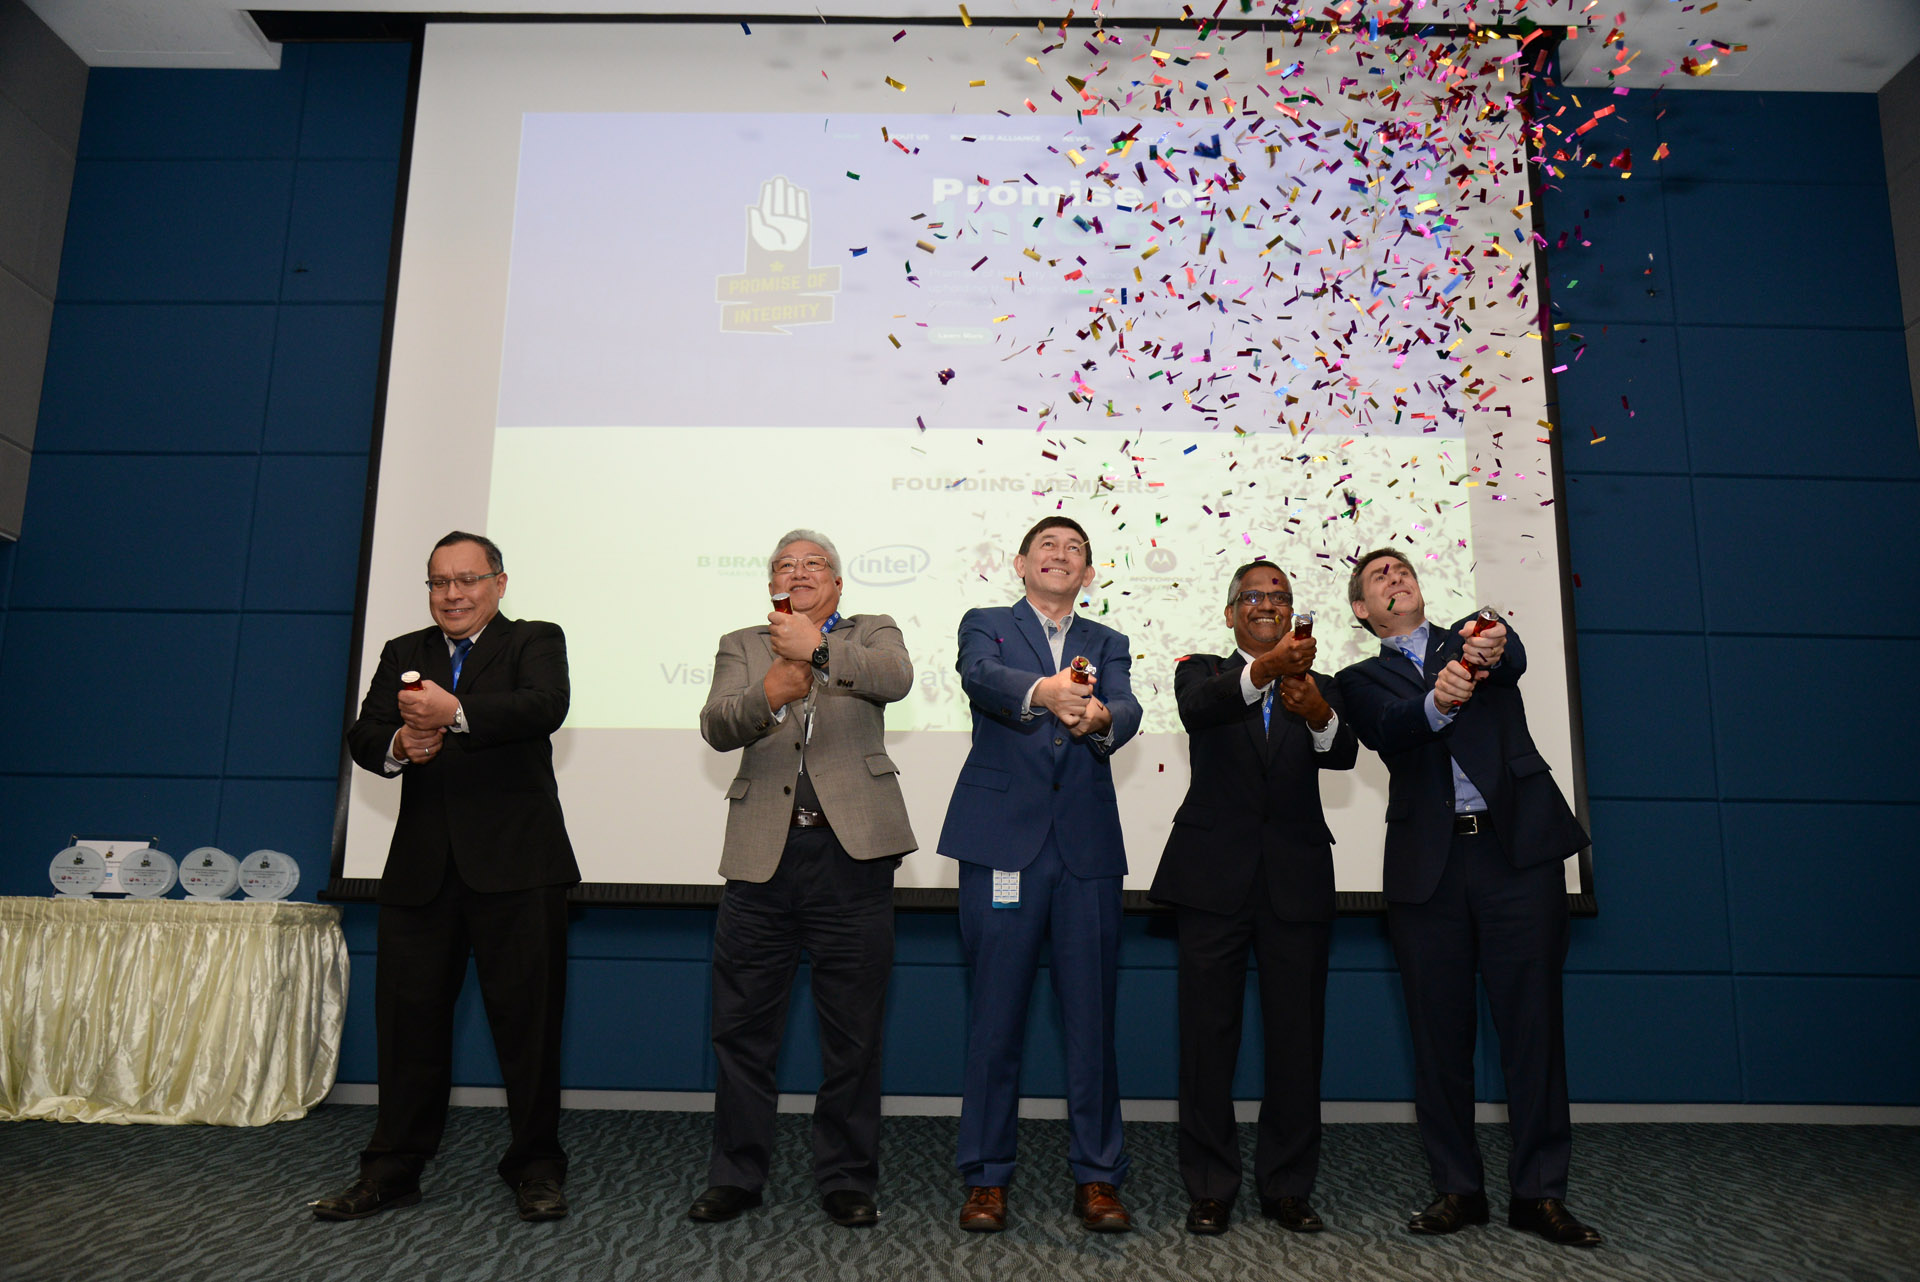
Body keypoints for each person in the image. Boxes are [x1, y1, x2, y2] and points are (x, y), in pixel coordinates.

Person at [1334, 547, 1601, 1248]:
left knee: (1533, 1030)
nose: (1396, 578)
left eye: (1402, 570)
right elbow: (1390, 728)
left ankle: (1540, 1194)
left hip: (1517, 857)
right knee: (1438, 1036)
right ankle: (1458, 1189)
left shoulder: (1472, 636)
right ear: (1362, 611)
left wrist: (1484, 650)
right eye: (1378, 579)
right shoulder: (1357, 678)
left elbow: (1505, 659)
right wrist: (1436, 697)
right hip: (1431, 868)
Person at [314, 531, 576, 1223]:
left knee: (530, 1029)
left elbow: (544, 706)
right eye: (439, 583)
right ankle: (392, 1170)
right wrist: (401, 743)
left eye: (467, 580)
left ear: (499, 582)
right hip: (422, 873)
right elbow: (365, 735)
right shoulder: (407, 651)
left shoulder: (535, 639)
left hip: (521, 868)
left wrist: (453, 714)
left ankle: (537, 1168)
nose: (452, 595)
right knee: (408, 1031)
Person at [688, 530, 916, 1229]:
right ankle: (736, 1175)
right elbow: (718, 725)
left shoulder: (872, 631)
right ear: (771, 585)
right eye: (785, 565)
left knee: (853, 1031)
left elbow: (896, 680)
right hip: (764, 858)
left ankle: (846, 1177)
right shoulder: (742, 642)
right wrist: (770, 692)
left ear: (838, 585)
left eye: (814, 564)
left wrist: (814, 651)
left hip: (854, 857)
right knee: (742, 1029)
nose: (799, 571)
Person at [938, 516, 1143, 1234]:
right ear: (1022, 563)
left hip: (1085, 852)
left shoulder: (1106, 641)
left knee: (1092, 1021)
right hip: (1001, 846)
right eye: (1048, 547)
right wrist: (1045, 694)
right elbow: (981, 678)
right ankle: (987, 1177)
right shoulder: (987, 623)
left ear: (1089, 574)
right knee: (995, 1021)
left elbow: (1127, 706)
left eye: (1075, 550)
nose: (1061, 556)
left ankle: (1098, 1176)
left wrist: (1095, 719)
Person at [1149, 560, 1358, 1236]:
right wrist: (1267, 670)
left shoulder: (1319, 685)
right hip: (1211, 880)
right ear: (1231, 612)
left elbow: (1344, 753)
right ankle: (1210, 1186)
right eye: (1253, 596)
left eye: (1280, 596)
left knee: (1297, 1041)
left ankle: (1288, 1186)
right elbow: (1195, 710)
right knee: (1207, 1040)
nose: (1267, 604)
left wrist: (1319, 712)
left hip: (1296, 881)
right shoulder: (1201, 669)